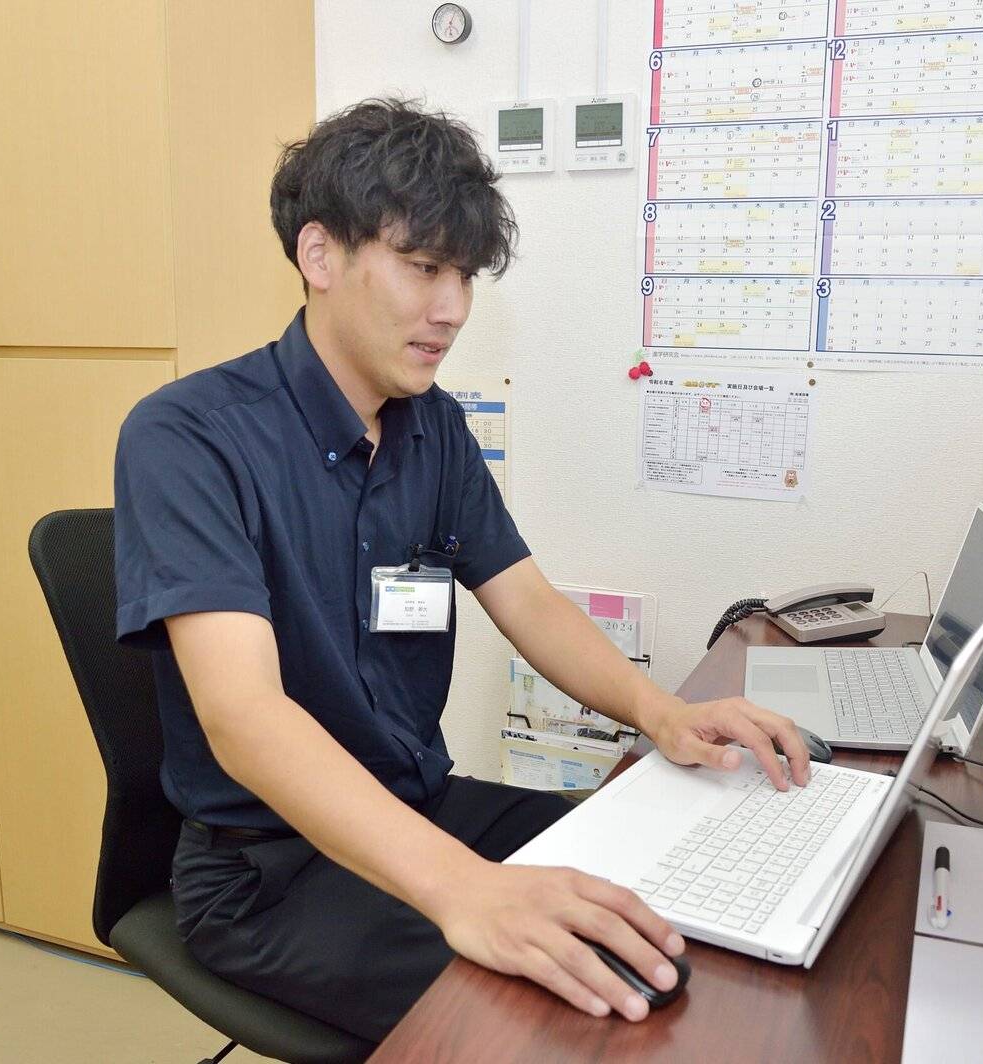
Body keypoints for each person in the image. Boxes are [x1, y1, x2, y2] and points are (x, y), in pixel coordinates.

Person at [112, 97, 811, 1043]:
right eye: (423, 266)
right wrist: (466, 892)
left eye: (465, 276)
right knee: (587, 1009)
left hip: (422, 808)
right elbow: (245, 719)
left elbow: (526, 599)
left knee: (669, 899)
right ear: (320, 256)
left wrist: (664, 715)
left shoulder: (433, 428)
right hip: (266, 873)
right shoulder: (189, 436)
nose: (451, 310)